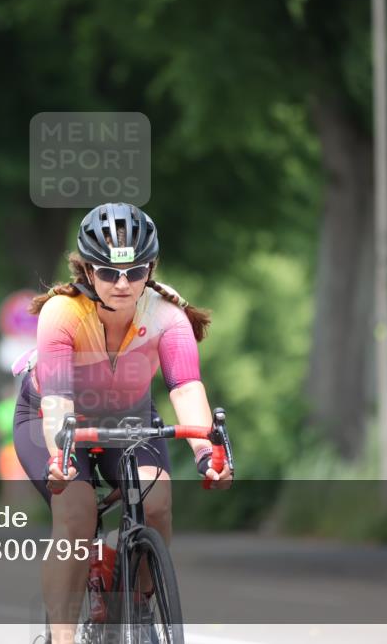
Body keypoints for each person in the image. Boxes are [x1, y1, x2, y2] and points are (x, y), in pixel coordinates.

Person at [13, 203, 232, 644]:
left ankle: (134, 606)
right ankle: (62, 639)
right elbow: (57, 397)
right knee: (76, 515)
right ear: (87, 271)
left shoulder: (168, 317)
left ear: (150, 269)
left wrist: (207, 452)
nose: (122, 283)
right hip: (51, 414)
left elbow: (186, 388)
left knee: (156, 502)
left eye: (135, 272)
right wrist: (61, 456)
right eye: (109, 273)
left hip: (129, 413)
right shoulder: (63, 313)